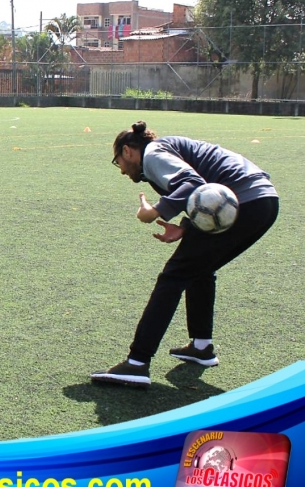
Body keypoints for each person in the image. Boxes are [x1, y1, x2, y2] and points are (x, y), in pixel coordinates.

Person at [90, 121, 279, 387]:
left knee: (173, 277)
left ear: (128, 151)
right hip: (262, 201)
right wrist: (187, 227)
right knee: (199, 269)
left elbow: (192, 183)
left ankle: (137, 363)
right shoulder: (165, 150)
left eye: (118, 161)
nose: (121, 170)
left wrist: (154, 211)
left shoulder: (153, 154)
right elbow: (204, 191)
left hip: (243, 201)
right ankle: (201, 347)